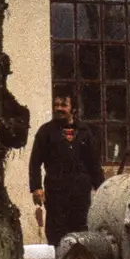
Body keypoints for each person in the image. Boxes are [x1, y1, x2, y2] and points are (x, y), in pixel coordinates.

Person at [29, 92, 104, 247]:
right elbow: (35, 162)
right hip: (56, 192)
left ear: (73, 108)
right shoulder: (46, 132)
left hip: (80, 192)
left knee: (81, 230)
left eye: (64, 105)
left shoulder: (84, 132)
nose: (59, 108)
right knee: (57, 232)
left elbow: (94, 163)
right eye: (56, 105)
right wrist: (36, 187)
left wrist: (102, 189)